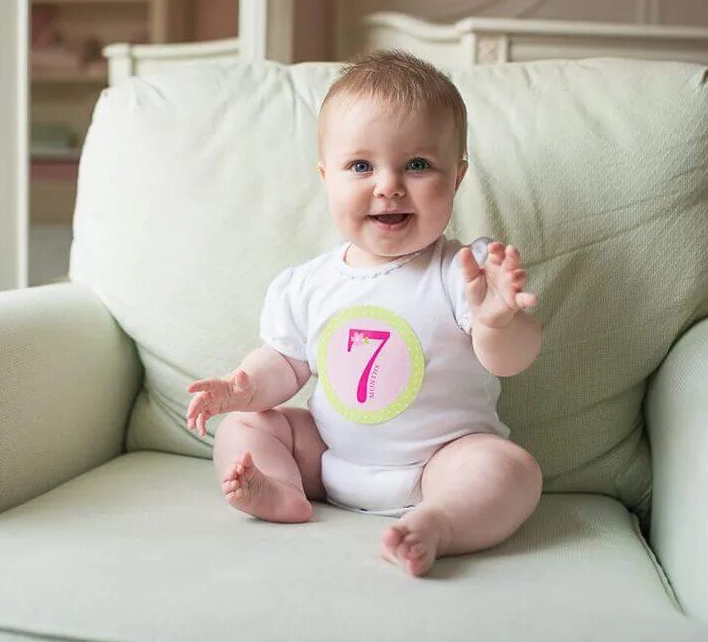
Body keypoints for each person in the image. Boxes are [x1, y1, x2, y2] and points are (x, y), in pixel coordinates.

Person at [185, 50, 544, 577]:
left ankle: (437, 524)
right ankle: (279, 490)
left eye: (417, 164)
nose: (388, 185)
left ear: (458, 176)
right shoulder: (308, 284)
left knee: (511, 469)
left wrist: (497, 321)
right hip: (328, 458)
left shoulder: (463, 270)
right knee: (247, 423)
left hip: (439, 463)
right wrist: (242, 388)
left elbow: (511, 360)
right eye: (360, 166)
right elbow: (285, 365)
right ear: (326, 177)